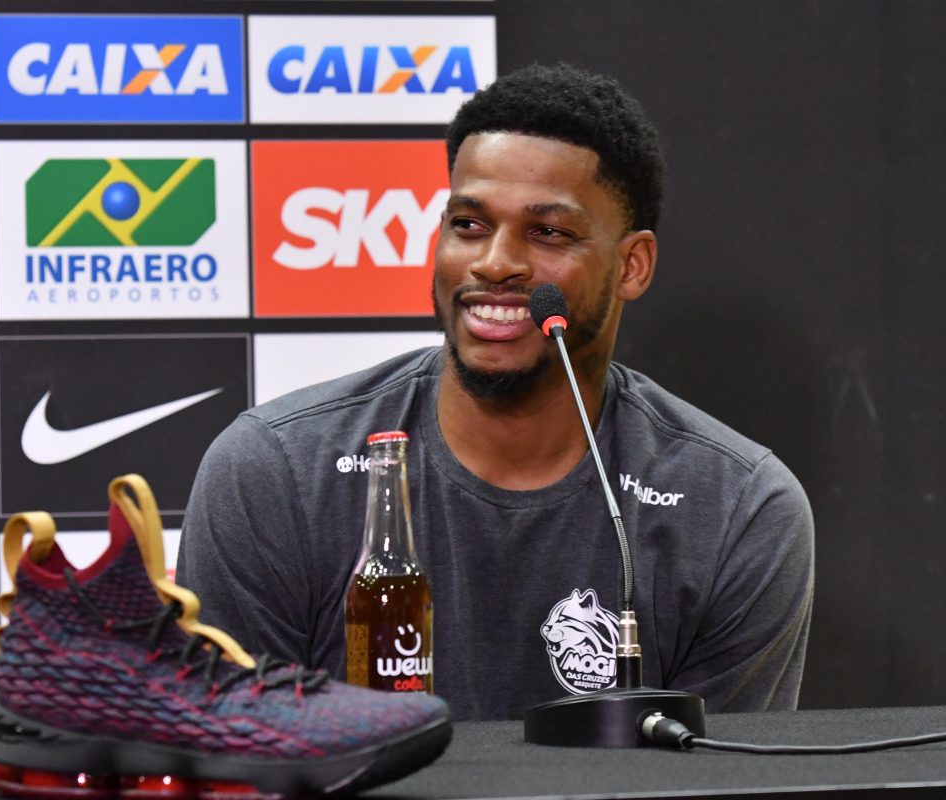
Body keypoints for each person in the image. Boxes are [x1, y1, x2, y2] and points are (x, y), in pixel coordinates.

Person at [178, 63, 814, 721]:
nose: (493, 263)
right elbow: (239, 755)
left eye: (548, 233)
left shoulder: (737, 510)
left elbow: (718, 770)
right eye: (469, 224)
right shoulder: (277, 471)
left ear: (632, 265)